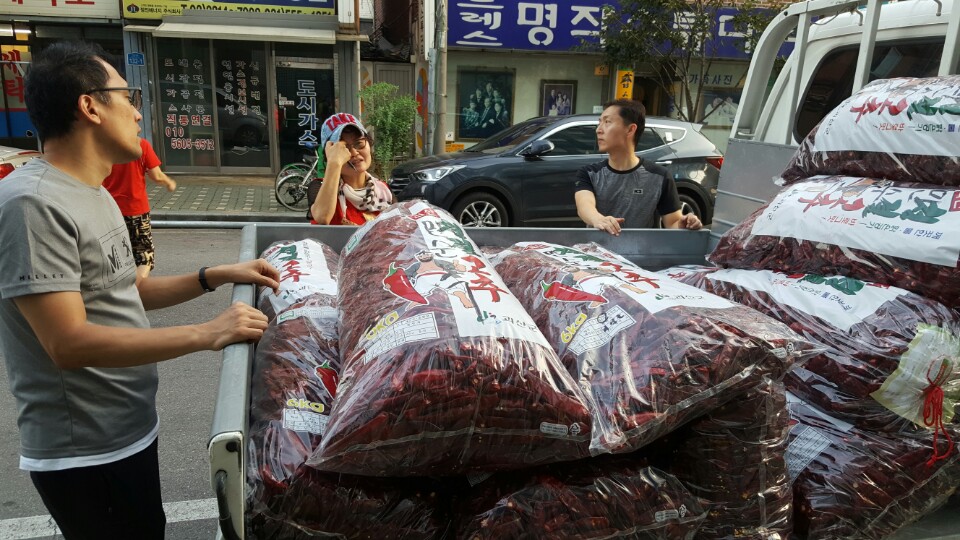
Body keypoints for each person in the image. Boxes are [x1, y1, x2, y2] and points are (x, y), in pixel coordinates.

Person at [0, 41, 280, 539]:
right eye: (126, 97)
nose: (136, 112)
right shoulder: (32, 205)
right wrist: (208, 332)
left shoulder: (94, 191)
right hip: (84, 452)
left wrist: (214, 275)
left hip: (128, 431)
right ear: (89, 106)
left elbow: (128, 291)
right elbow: (67, 343)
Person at [574, 99, 702, 235]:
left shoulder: (659, 176)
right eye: (599, 122)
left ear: (630, 129)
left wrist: (685, 224)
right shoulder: (589, 173)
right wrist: (599, 219)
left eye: (607, 122)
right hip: (598, 251)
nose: (598, 130)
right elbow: (584, 206)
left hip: (640, 252)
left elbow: (672, 223)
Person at [102, 137, 176, 280]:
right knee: (144, 257)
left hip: (109, 210)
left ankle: (119, 289)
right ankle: (134, 292)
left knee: (116, 254)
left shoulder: (104, 143)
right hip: (136, 211)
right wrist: (169, 183)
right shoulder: (140, 144)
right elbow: (157, 176)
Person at [308, 112, 393, 225]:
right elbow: (322, 218)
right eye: (344, 148)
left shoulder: (384, 190)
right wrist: (334, 163)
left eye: (359, 144)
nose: (354, 152)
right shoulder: (318, 187)